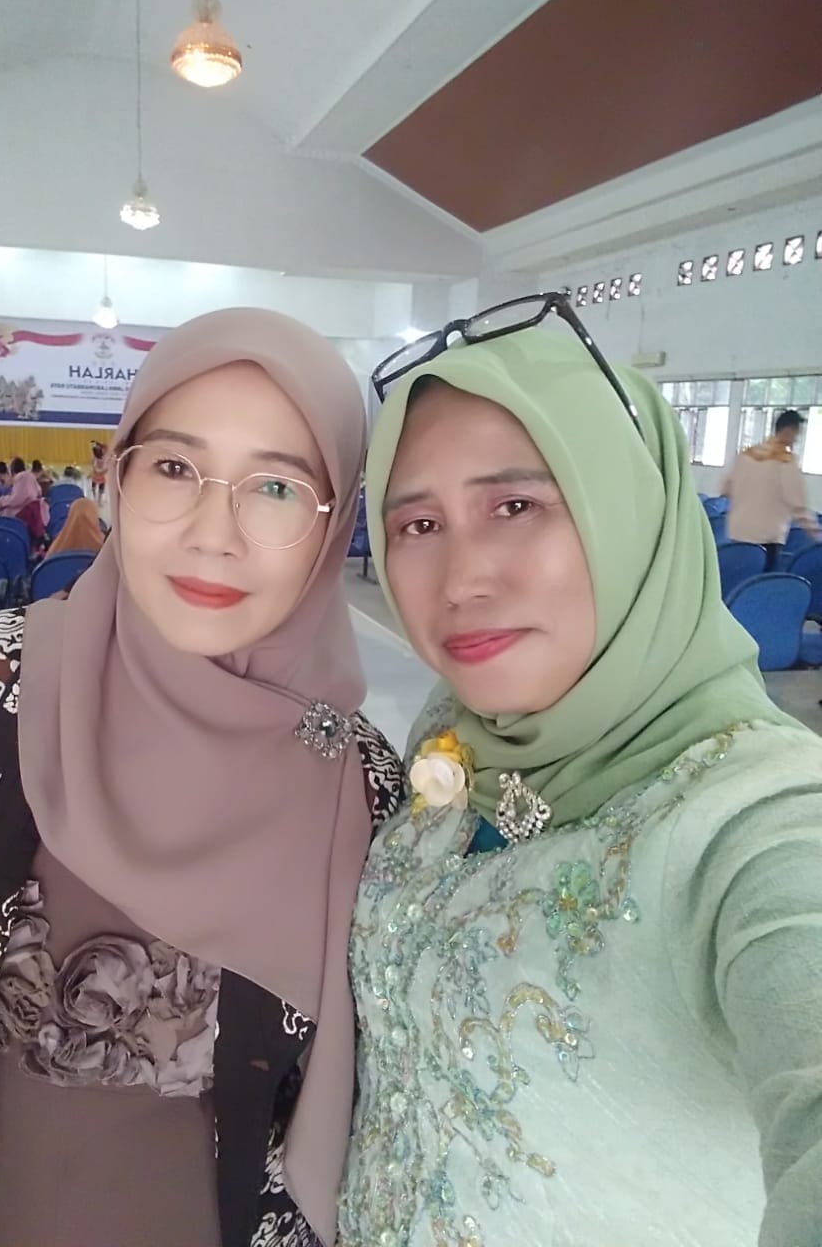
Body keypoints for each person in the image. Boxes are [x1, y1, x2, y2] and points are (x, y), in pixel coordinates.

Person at [0, 308, 402, 1247]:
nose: (212, 534)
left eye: (276, 487)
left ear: (333, 520)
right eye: (175, 468)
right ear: (114, 475)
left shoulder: (363, 789)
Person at [338, 299, 822, 1247]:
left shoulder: (757, 824)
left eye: (515, 506)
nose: (460, 579)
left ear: (626, 510)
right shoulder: (458, 725)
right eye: (418, 523)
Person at [721, 408, 820, 567]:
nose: (796, 439)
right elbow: (798, 505)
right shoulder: (785, 462)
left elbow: (725, 489)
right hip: (766, 540)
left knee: (739, 577)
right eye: (797, 434)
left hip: (738, 535)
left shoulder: (746, 455)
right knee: (762, 580)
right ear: (789, 430)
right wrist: (816, 533)